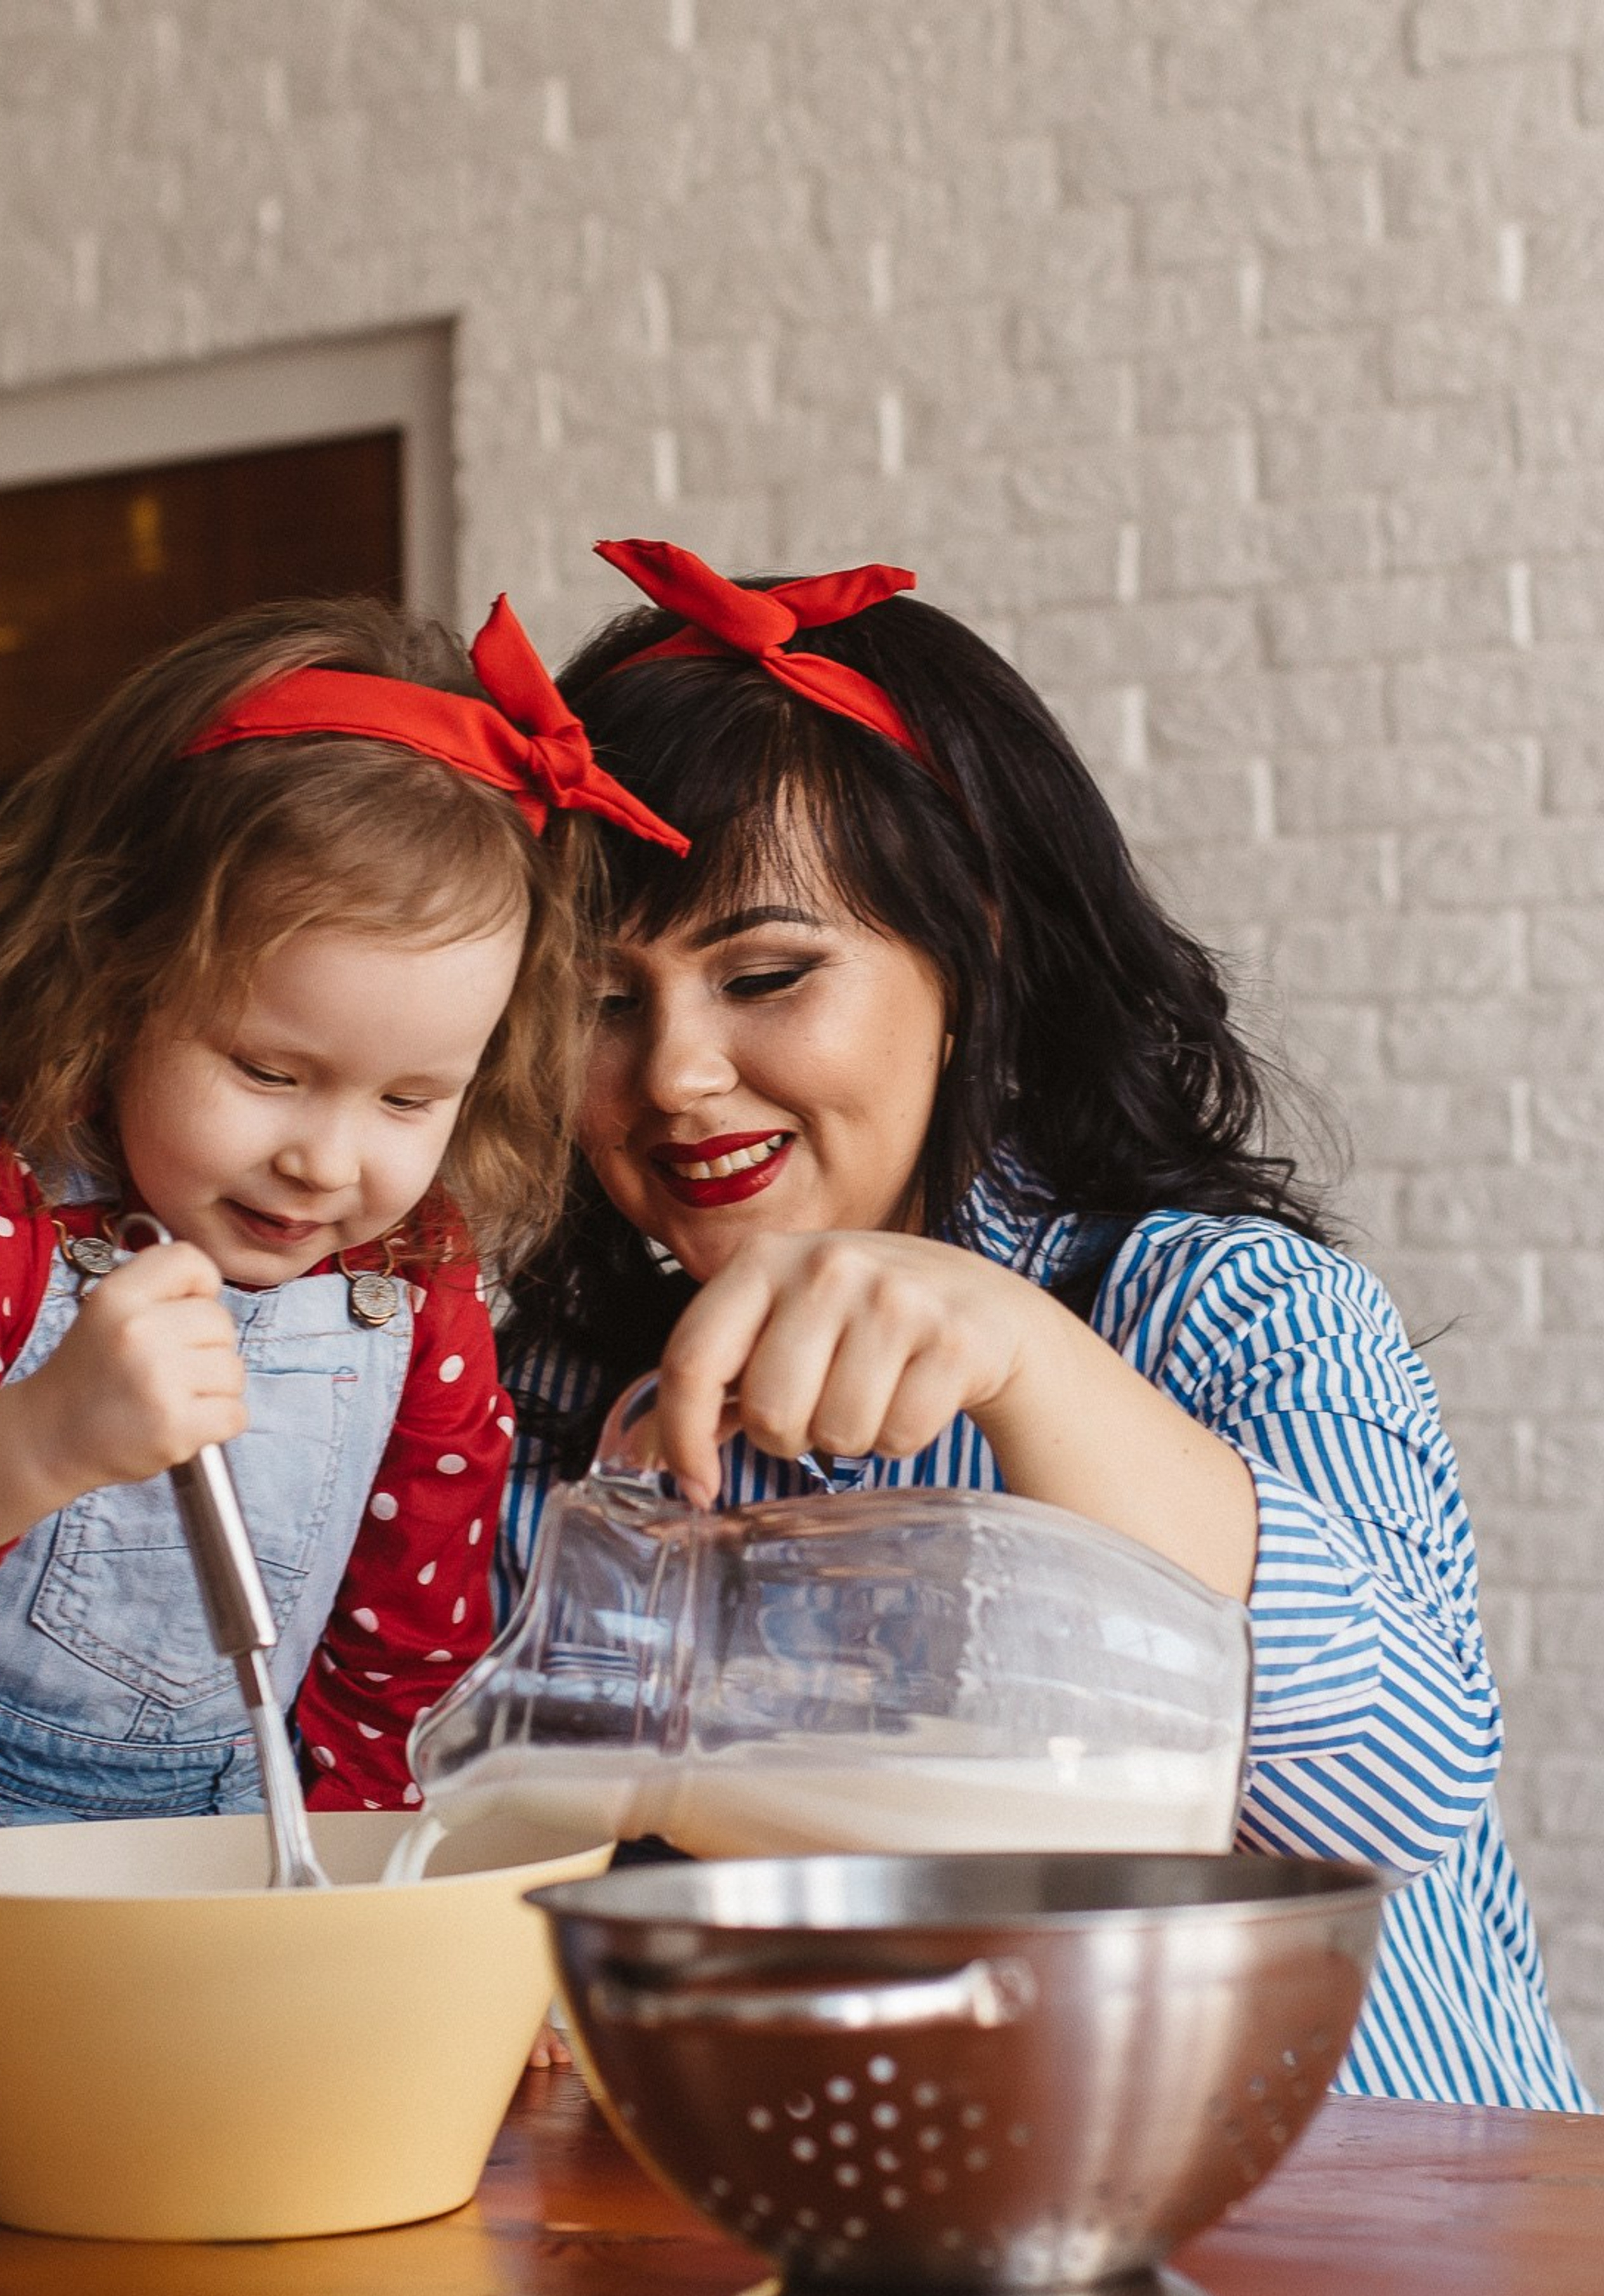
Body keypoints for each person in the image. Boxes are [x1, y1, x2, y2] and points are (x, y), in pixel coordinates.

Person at [496, 535, 1591, 2112]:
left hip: (1376, 2245)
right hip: (873, 2236)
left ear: (971, 954)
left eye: (766, 974)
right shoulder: (555, 1395)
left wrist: (1024, 1356)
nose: (674, 1072)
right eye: (602, 1004)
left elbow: (1391, 1803)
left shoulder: (1220, 1311)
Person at [0, 589, 685, 1824]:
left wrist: (350, 1901)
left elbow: (399, 1664)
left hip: (233, 1856)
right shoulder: (6, 1218)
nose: (325, 1159)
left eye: (409, 1101)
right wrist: (39, 1443)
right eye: (267, 1072)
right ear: (111, 977)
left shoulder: (409, 1283)